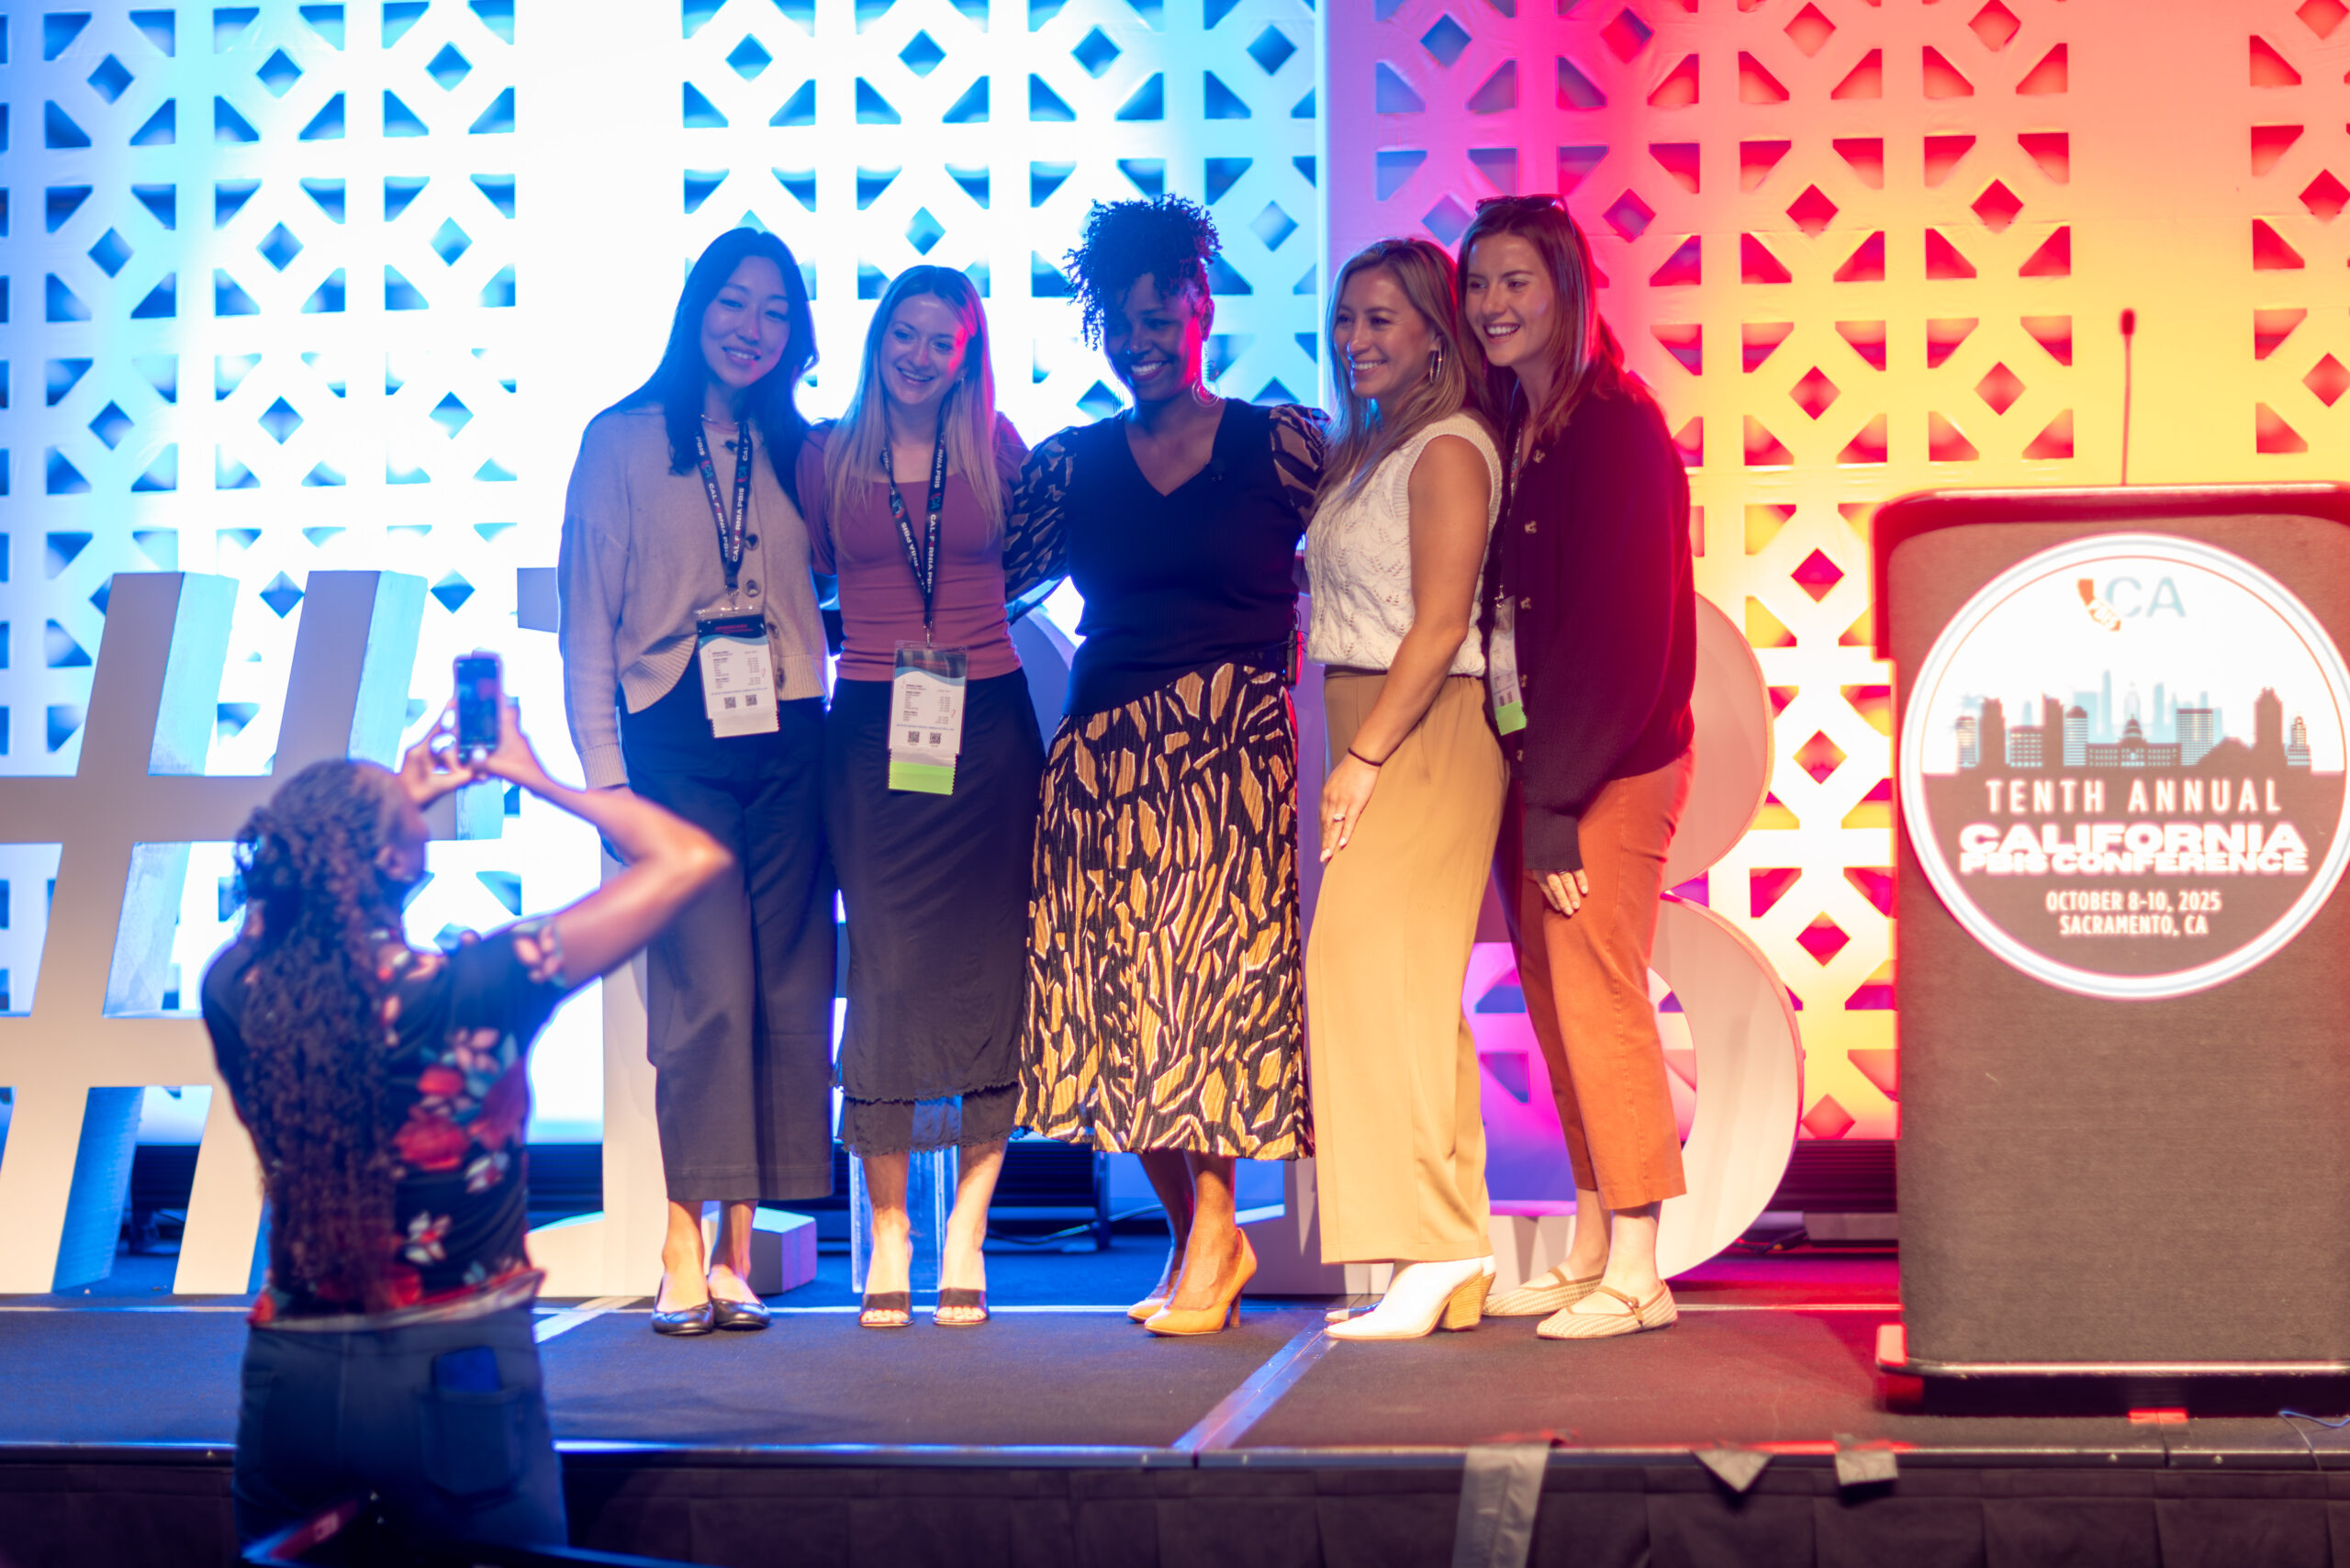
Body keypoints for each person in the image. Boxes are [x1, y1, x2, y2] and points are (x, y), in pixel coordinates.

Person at [206, 701, 730, 1550]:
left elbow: (284, 929)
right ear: (399, 864)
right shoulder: (481, 983)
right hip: (454, 1371)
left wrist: (389, 816)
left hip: (290, 1378)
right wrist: (536, 776)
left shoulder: (237, 991)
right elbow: (685, 855)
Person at [1011, 196, 1326, 1337]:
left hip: (1231, 752)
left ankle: (1210, 1243)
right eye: (1120, 327)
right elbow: (985, 580)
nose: (1140, 342)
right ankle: (1207, 1242)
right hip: (1099, 757)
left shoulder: (1281, 444)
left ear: (1200, 308)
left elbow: (1365, 546)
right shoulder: (1069, 464)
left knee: (1208, 1003)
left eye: (1159, 319)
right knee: (1112, 1010)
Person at [558, 228, 835, 1336]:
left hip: (791, 736)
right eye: (733, 302)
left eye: (775, 312)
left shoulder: (803, 453)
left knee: (781, 997)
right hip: (670, 741)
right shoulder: (621, 442)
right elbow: (587, 627)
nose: (751, 328)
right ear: (695, 310)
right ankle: (679, 1233)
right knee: (704, 994)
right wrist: (605, 791)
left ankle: (735, 1248)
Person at [1458, 196, 1697, 1340]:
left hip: (1605, 763)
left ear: (1565, 289)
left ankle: (1644, 1266)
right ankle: (1596, 1240)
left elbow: (1625, 632)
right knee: (1554, 1005)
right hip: (1537, 758)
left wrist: (1555, 794)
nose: (1493, 305)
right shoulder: (1518, 421)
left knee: (1599, 993)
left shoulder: (1615, 426)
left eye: (1516, 282)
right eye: (1479, 284)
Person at [797, 266, 1042, 1328]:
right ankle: (890, 1226)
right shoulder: (822, 456)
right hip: (868, 729)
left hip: (986, 724)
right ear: (877, 338)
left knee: (993, 965)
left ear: (967, 352)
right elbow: (803, 575)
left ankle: (967, 1233)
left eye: (941, 340)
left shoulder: (1000, 449)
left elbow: (1033, 560)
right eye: (903, 332)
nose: (917, 353)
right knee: (887, 972)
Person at [1301, 239, 1508, 1340]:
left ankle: (1431, 1243)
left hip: (1420, 727)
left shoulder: (1447, 448)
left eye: (1383, 318)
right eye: (1346, 319)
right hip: (1369, 715)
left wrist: (1367, 754)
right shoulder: (1374, 448)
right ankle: (1454, 1245)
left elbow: (1440, 625)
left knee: (1363, 975)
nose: (1357, 339)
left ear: (1436, 328)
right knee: (1405, 994)